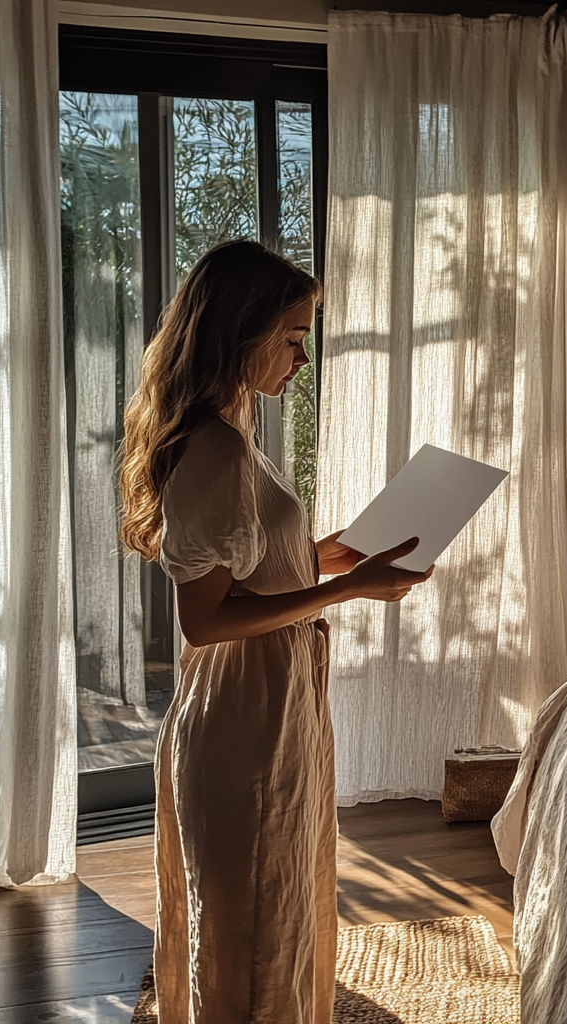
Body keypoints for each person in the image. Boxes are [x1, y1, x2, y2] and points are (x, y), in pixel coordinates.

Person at [117, 240, 434, 1024]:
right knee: (255, 926)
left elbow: (254, 564)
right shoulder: (216, 449)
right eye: (293, 337)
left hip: (271, 711)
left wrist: (330, 554)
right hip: (244, 722)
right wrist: (350, 588)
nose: (303, 355)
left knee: (276, 914)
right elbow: (207, 619)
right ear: (241, 332)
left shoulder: (231, 426)